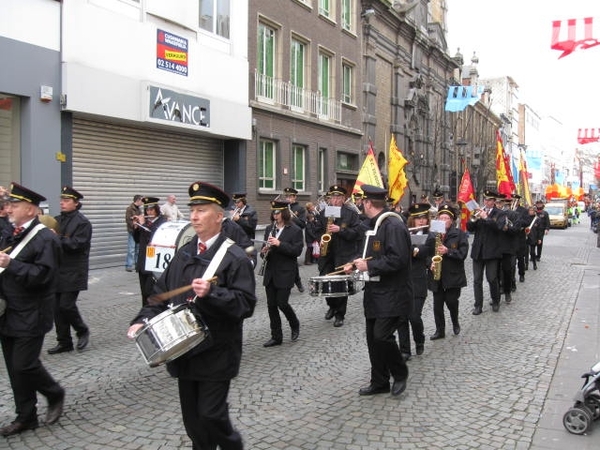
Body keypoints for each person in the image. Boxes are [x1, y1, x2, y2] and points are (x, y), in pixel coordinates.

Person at [127, 181, 256, 450]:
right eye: (193, 210)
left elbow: (245, 305)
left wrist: (213, 294)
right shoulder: (183, 254)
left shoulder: (234, 257)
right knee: (194, 422)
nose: (194, 216)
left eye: (202, 210)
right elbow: (159, 294)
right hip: (184, 351)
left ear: (219, 216)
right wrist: (142, 318)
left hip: (217, 352)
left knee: (211, 414)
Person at [0, 182, 65, 436]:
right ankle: (25, 417)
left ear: (30, 209)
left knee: (24, 365)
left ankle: (54, 392)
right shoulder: (11, 232)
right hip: (8, 312)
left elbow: (44, 278)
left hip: (32, 313)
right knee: (14, 369)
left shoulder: (45, 238)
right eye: (9, 204)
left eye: (14, 205)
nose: (9, 209)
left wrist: (11, 263)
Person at [344, 184, 412, 397]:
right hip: (374, 292)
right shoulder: (373, 225)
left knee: (382, 336)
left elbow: (398, 259)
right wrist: (354, 264)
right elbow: (369, 254)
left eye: (361, 202)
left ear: (367, 202)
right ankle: (379, 381)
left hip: (393, 293)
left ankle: (400, 373)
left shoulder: (393, 225)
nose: (360, 205)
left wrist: (369, 266)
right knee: (373, 340)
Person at [47, 186, 92, 355]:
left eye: (66, 200)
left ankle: (82, 330)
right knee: (56, 308)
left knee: (66, 305)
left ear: (76, 203)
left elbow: (76, 245)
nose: (62, 203)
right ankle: (64, 341)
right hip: (57, 269)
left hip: (74, 270)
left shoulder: (83, 223)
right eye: (61, 200)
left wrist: (56, 237)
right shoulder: (57, 220)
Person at [315, 185, 362, 328]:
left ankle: (340, 314)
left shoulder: (351, 214)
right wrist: (321, 238)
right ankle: (332, 305)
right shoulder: (323, 213)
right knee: (325, 280)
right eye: (332, 197)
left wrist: (340, 230)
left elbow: (356, 233)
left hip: (343, 253)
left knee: (340, 283)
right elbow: (316, 230)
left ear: (343, 199)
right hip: (327, 253)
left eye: (338, 197)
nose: (335, 200)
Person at [260, 200, 303, 347]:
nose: (275, 215)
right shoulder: (268, 229)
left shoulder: (295, 230)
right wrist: (264, 251)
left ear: (284, 213)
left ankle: (294, 323)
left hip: (285, 271)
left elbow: (296, 251)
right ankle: (276, 336)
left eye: (277, 212)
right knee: (271, 305)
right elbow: (263, 253)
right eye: (273, 212)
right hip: (271, 271)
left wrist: (279, 244)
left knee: (282, 303)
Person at [397, 203, 434, 359]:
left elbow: (424, 252)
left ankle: (419, 339)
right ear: (412, 219)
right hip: (402, 281)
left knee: (414, 316)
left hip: (418, 282)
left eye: (423, 218)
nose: (421, 221)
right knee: (401, 318)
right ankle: (405, 350)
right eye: (418, 218)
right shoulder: (404, 233)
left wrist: (412, 249)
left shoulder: (431, 236)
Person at [427, 204, 469, 340]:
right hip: (437, 275)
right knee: (437, 305)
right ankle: (440, 330)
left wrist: (448, 251)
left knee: (451, 301)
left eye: (447, 218)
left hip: (453, 276)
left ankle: (455, 321)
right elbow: (426, 252)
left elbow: (463, 254)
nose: (444, 220)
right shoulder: (433, 234)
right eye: (441, 218)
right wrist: (430, 263)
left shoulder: (459, 234)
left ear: (451, 220)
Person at [466, 190, 507, 314]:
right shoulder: (478, 212)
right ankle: (478, 305)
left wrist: (486, 218)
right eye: (485, 199)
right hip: (478, 251)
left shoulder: (500, 213)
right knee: (477, 280)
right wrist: (472, 219)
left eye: (489, 200)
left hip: (492, 252)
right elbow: (470, 228)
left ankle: (495, 301)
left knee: (492, 278)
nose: (486, 202)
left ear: (494, 201)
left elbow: (499, 228)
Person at [133, 197, 167, 306]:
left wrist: (142, 225)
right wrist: (136, 227)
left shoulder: (162, 222)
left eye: (152, 210)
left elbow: (152, 238)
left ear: (157, 209)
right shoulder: (146, 222)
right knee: (144, 293)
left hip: (154, 263)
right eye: (147, 210)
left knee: (150, 292)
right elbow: (138, 240)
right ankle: (144, 315)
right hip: (143, 262)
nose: (149, 212)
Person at [284, 187, 306, 291]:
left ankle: (298, 281)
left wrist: (292, 218)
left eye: (290, 196)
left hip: (294, 238)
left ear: (295, 197)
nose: (288, 198)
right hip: (283, 236)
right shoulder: (283, 207)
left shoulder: (300, 209)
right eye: (287, 196)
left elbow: (302, 224)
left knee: (292, 262)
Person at [125, 195, 143, 272]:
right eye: (141, 200)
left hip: (138, 231)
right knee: (131, 249)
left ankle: (137, 264)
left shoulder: (139, 209)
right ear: (138, 200)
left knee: (138, 249)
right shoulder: (129, 209)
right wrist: (134, 225)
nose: (142, 202)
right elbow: (128, 220)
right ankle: (129, 265)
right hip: (132, 231)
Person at [525, 206, 542, 270]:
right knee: (526, 252)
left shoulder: (537, 219)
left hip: (534, 237)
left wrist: (539, 238)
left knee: (532, 252)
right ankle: (526, 265)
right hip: (527, 237)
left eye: (532, 211)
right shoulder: (526, 218)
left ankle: (534, 264)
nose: (530, 212)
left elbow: (540, 230)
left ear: (535, 212)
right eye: (529, 210)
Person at [304, 201, 320, 265]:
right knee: (309, 248)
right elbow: (309, 229)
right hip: (309, 236)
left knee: (312, 247)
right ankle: (307, 260)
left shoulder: (312, 213)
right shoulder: (309, 215)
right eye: (312, 206)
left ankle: (312, 259)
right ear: (309, 208)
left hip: (312, 234)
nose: (313, 207)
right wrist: (314, 236)